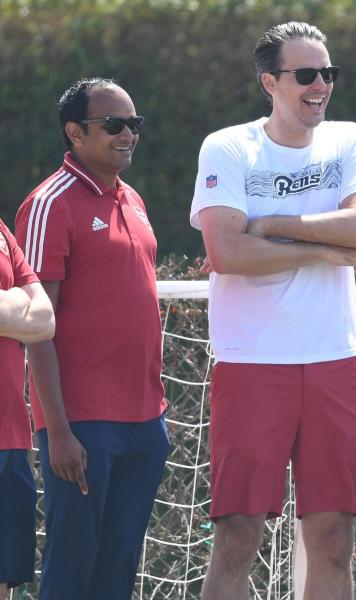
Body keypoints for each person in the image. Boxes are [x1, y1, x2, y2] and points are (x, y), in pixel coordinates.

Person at [190, 21, 356, 600]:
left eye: (328, 73)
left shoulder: (350, 139)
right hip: (251, 364)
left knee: (334, 541)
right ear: (269, 82)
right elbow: (227, 250)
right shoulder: (228, 146)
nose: (320, 85)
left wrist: (270, 225)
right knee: (237, 538)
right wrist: (329, 248)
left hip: (335, 363)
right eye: (306, 74)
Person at [15, 78, 170, 600]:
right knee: (71, 566)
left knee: (119, 565)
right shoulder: (48, 203)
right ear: (75, 133)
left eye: (135, 124)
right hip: (82, 424)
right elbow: (37, 326)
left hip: (146, 421)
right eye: (114, 125)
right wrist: (57, 429)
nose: (128, 134)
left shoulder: (135, 199)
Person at [0, 219, 55, 597]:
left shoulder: (2, 231)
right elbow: (27, 307)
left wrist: (22, 303)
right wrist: (16, 299)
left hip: (10, 441)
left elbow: (45, 318)